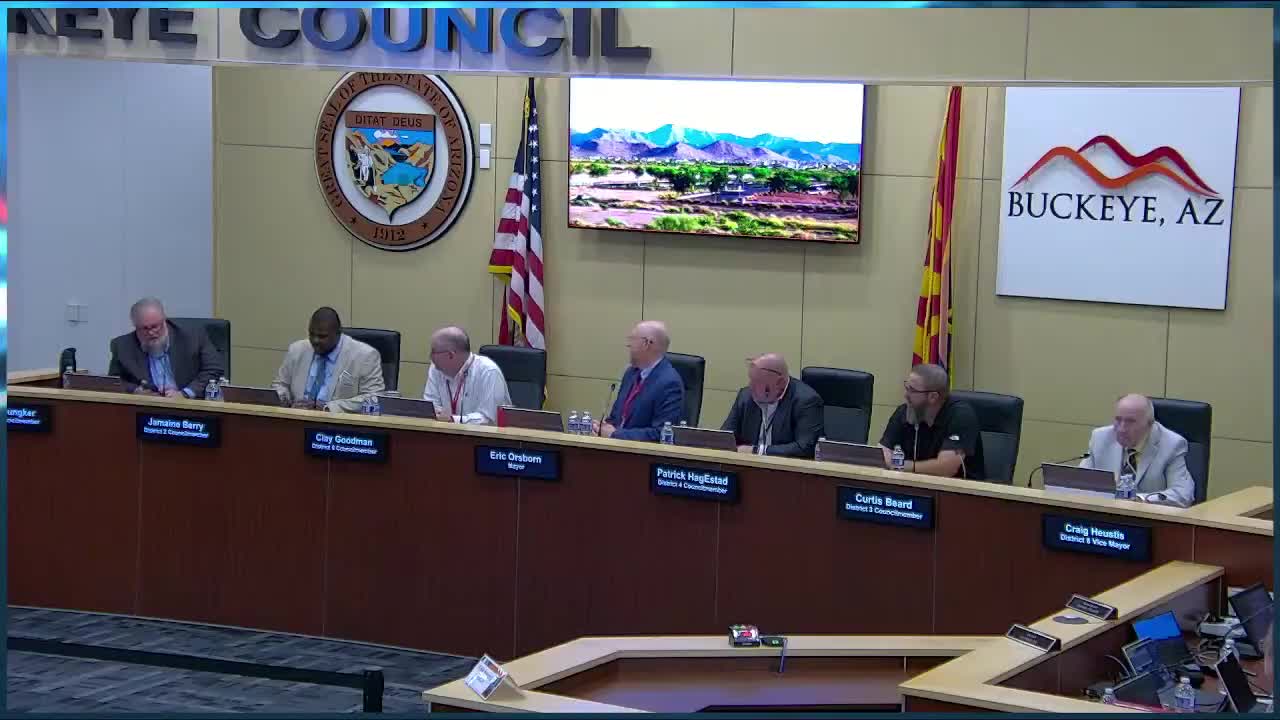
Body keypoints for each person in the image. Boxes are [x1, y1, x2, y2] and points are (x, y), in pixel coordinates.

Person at [1079, 394, 1196, 507]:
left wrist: (1139, 499)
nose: (1121, 429)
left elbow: (1182, 495)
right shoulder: (1100, 438)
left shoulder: (1172, 445)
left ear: (1150, 424)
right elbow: (1079, 484)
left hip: (1148, 516)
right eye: (1118, 420)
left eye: (1130, 422)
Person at [878, 363, 985, 480]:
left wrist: (900, 465)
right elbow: (881, 455)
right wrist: (894, 463)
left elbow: (946, 468)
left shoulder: (961, 415)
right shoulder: (905, 411)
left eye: (912, 390)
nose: (906, 395)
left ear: (933, 397)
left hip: (956, 488)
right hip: (910, 484)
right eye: (907, 388)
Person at [272, 307, 385, 413]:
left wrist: (328, 408)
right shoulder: (297, 350)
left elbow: (373, 398)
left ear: (338, 333)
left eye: (322, 336)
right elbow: (280, 385)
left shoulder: (365, 356)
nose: (315, 341)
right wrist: (285, 400)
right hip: (297, 418)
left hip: (337, 422)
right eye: (311, 334)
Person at [108, 297, 224, 398]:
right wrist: (136, 391)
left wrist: (185, 393)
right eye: (144, 328)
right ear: (135, 326)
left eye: (155, 326)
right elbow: (114, 382)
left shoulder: (193, 336)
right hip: (148, 406)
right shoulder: (122, 346)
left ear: (164, 320)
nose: (151, 332)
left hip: (190, 405)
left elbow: (214, 369)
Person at [595, 320, 684, 441]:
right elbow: (616, 418)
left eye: (632, 340)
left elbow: (661, 433)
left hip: (641, 452)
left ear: (646, 344)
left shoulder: (669, 383)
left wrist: (615, 434)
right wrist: (601, 428)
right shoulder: (631, 373)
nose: (628, 345)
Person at [721, 353, 824, 457]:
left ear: (780, 383)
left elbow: (804, 448)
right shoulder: (746, 396)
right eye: (751, 380)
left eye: (757, 382)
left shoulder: (806, 401)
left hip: (784, 465)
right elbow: (724, 438)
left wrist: (757, 450)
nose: (750, 386)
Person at [422, 326, 511, 425]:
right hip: (443, 432)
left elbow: (489, 420)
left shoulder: (488, 372)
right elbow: (430, 408)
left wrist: (452, 420)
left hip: (483, 434)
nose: (430, 356)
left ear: (451, 355)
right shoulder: (436, 369)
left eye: (433, 352)